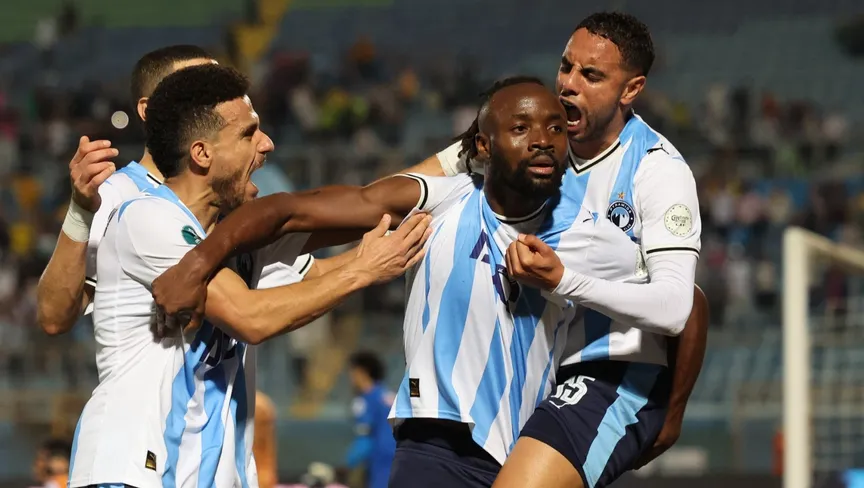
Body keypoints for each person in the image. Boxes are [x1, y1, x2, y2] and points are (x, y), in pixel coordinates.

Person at [150, 76, 594, 486]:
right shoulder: (441, 199)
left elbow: (653, 306)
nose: (541, 140)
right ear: (483, 144)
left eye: (555, 128)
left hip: (532, 453)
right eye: (521, 127)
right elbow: (287, 214)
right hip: (437, 444)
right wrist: (197, 263)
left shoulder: (589, 230)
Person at [67, 64, 430, 488]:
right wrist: (363, 269)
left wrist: (456, 166)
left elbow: (358, 215)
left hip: (194, 471)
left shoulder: (231, 238)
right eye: (248, 134)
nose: (267, 144)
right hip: (132, 467)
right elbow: (250, 317)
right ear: (202, 154)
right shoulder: (147, 217)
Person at [410, 12, 703, 488]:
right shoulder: (523, 136)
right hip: (536, 368)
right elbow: (409, 187)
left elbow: (678, 306)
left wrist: (563, 280)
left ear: (631, 89)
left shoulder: (657, 170)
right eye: (566, 66)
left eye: (591, 76)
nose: (568, 84)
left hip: (614, 374)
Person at [36, 45, 217, 336]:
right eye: (195, 90)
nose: (214, 104)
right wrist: (80, 211)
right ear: (149, 109)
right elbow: (53, 316)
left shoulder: (232, 193)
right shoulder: (116, 195)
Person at [344, 351, 396, 488]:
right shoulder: (389, 396)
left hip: (381, 460)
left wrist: (346, 464)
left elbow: (365, 439)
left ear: (362, 372)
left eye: (352, 372)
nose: (350, 377)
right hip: (400, 456)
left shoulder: (365, 401)